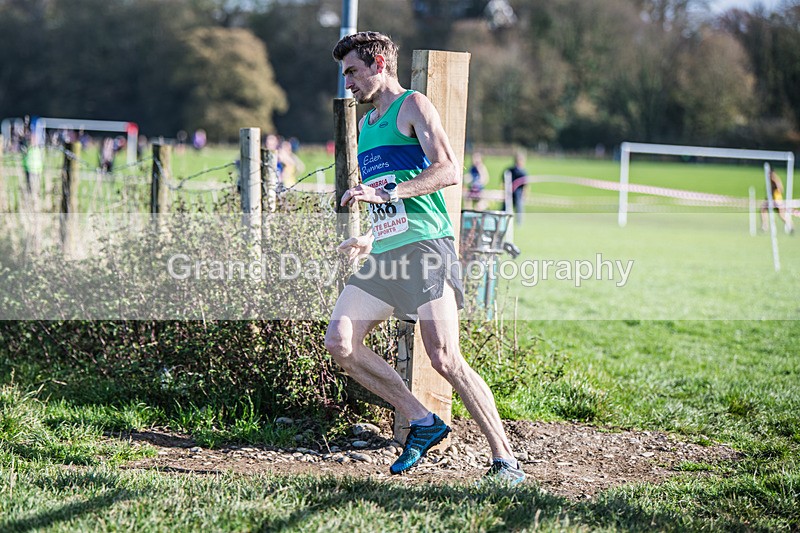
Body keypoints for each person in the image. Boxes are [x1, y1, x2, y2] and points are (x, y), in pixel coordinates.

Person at [327, 31, 525, 485]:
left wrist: (389, 190)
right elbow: (389, 206)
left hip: (428, 248)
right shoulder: (365, 125)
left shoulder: (414, 105)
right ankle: (422, 419)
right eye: (345, 76)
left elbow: (448, 169)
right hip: (389, 253)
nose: (348, 84)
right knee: (340, 342)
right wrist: (371, 240)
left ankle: (506, 460)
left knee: (445, 357)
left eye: (353, 72)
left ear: (378, 64)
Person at [503, 152, 528, 225]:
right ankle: (503, 220)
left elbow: (526, 185)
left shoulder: (523, 172)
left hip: (518, 193)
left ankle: (519, 223)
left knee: (519, 207)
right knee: (506, 207)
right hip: (509, 193)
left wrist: (525, 194)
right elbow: (504, 182)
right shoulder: (510, 170)